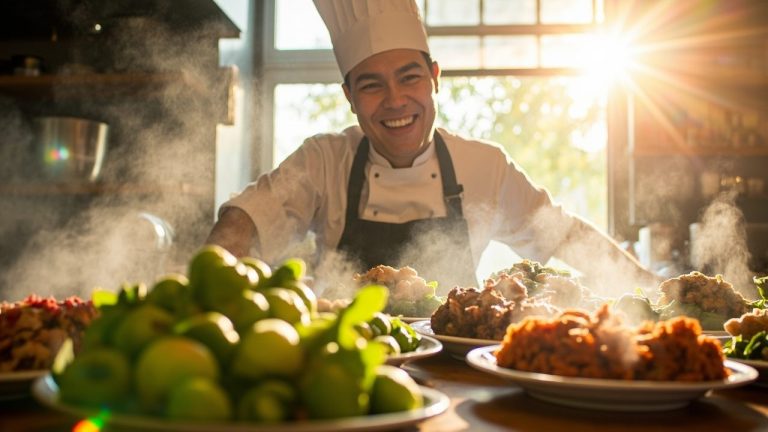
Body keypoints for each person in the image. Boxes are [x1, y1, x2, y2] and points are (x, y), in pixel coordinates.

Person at [206, 0, 657, 296]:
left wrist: (652, 291)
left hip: (458, 374)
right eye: (371, 85)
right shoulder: (324, 159)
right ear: (348, 97)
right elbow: (245, 217)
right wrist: (210, 291)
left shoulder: (486, 166)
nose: (396, 101)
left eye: (410, 77)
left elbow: (566, 235)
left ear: (435, 77)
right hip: (344, 362)